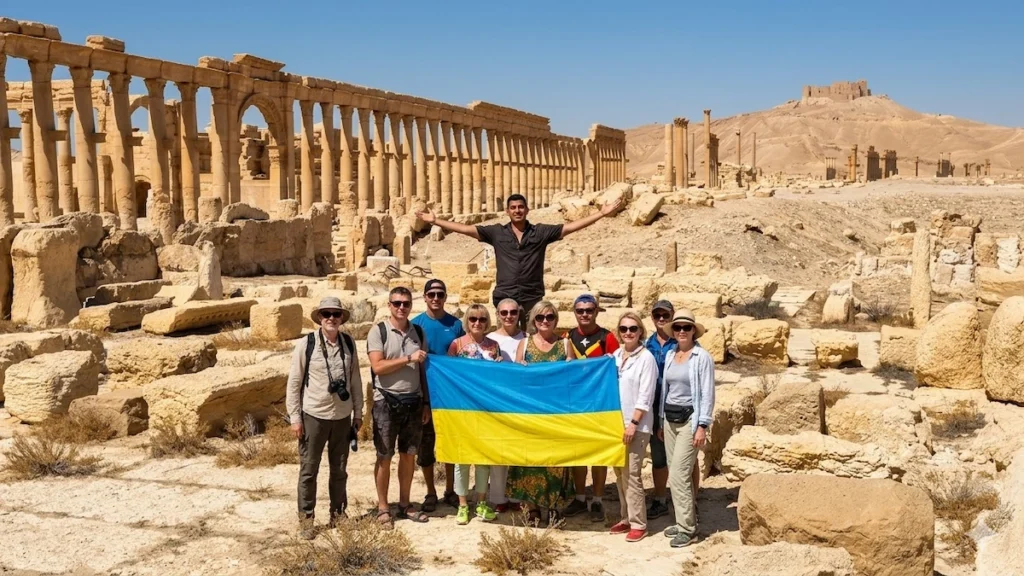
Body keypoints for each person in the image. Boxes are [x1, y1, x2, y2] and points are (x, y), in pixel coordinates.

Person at [416, 194, 622, 326]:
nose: (517, 210)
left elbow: (569, 228)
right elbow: (466, 229)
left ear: (526, 210)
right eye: (513, 207)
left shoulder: (540, 232)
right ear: (507, 211)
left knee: (533, 342)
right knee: (507, 341)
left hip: (533, 298)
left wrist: (601, 214)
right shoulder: (497, 233)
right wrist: (436, 221)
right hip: (505, 296)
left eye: (520, 207)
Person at [286, 296, 363, 539]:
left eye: (336, 314)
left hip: (342, 416)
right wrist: (295, 418)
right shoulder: (306, 344)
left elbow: (356, 381)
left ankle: (338, 513)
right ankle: (306, 519)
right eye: (326, 313)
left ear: (341, 318)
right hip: (313, 416)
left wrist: (358, 413)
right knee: (309, 469)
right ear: (319, 317)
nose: (331, 318)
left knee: (339, 470)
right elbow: (294, 382)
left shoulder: (348, 344)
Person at [368, 286, 431, 526]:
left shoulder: (419, 332)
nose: (401, 307)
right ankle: (383, 507)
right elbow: (378, 367)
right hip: (386, 400)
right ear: (389, 305)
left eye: (405, 303)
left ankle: (405, 504)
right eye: (397, 303)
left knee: (408, 455)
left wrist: (425, 401)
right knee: (384, 456)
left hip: (413, 401)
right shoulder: (379, 331)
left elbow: (422, 371)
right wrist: (408, 358)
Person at [508, 301, 574, 526]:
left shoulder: (565, 344)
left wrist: (569, 367)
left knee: (555, 462)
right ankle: (533, 507)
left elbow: (574, 382)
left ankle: (555, 506)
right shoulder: (524, 344)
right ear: (533, 321)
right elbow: (515, 380)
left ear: (556, 319)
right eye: (540, 317)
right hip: (530, 415)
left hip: (556, 415)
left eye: (549, 317)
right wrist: (521, 368)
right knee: (531, 461)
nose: (544, 321)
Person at [658, 309, 715, 548]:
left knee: (680, 475)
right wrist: (661, 420)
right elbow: (666, 390)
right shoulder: (671, 354)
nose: (682, 332)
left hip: (690, 421)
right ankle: (683, 520)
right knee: (676, 471)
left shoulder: (701, 357)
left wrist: (703, 425)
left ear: (693, 331)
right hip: (670, 420)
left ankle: (688, 529)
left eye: (686, 328)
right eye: (678, 328)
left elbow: (707, 392)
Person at [563, 293, 619, 523]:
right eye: (580, 311)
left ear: (596, 311)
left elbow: (616, 368)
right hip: (574, 404)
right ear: (574, 313)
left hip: (599, 405)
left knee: (598, 453)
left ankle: (597, 499)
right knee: (577, 453)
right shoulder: (568, 337)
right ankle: (578, 496)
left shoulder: (608, 337)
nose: (584, 314)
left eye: (589, 310)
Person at [410, 279, 464, 512]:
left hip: (450, 395)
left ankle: (450, 490)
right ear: (424, 297)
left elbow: (462, 356)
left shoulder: (455, 324)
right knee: (426, 444)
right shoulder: (416, 325)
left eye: (440, 294)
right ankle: (430, 492)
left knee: (451, 442)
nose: (435, 298)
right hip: (425, 394)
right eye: (431, 294)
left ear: (445, 297)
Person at [446, 304, 502, 525]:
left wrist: (500, 367)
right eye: (472, 319)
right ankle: (462, 504)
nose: (477, 323)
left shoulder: (493, 346)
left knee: (482, 458)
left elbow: (498, 380)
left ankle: (480, 502)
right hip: (462, 410)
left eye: (481, 319)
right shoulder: (457, 345)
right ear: (467, 321)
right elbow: (448, 373)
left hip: (485, 411)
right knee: (462, 459)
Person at [609, 312, 658, 543]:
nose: (628, 332)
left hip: (635, 426)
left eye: (633, 328)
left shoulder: (646, 358)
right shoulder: (616, 356)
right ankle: (626, 517)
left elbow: (645, 396)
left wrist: (634, 424)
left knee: (632, 474)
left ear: (640, 331)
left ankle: (639, 523)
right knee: (619, 473)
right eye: (623, 328)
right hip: (614, 425)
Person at [486, 298, 528, 512]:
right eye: (504, 313)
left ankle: (518, 495)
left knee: (518, 450)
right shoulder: (490, 339)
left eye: (513, 312)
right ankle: (498, 497)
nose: (509, 316)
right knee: (499, 450)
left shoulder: (527, 339)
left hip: (521, 404)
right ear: (498, 314)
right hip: (496, 403)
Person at [643, 300, 676, 520]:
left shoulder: (682, 339)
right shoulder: (647, 344)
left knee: (685, 455)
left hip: (677, 405)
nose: (661, 319)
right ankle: (661, 499)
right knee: (658, 454)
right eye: (657, 315)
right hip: (654, 405)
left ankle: (691, 501)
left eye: (665, 315)